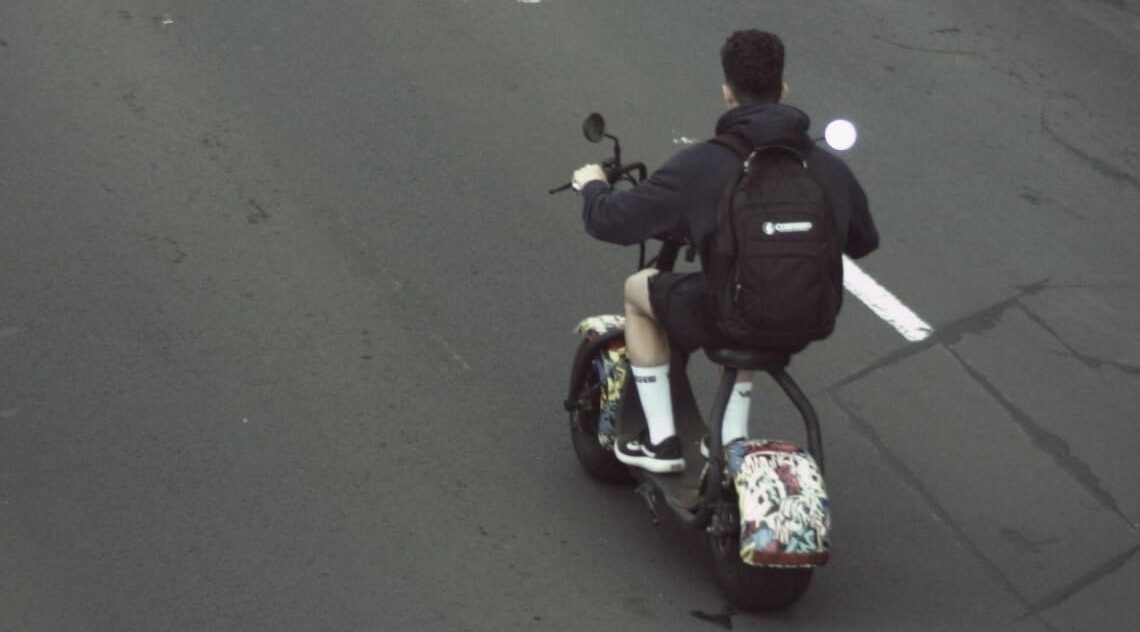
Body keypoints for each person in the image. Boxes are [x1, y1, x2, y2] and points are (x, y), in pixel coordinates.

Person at [572, 29, 879, 474]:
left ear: (727, 93)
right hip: (811, 318)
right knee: (746, 292)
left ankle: (660, 442)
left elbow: (610, 221)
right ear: (783, 89)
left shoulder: (705, 164)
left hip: (735, 314)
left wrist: (593, 186)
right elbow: (864, 241)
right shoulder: (824, 165)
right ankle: (729, 437)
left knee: (643, 290)